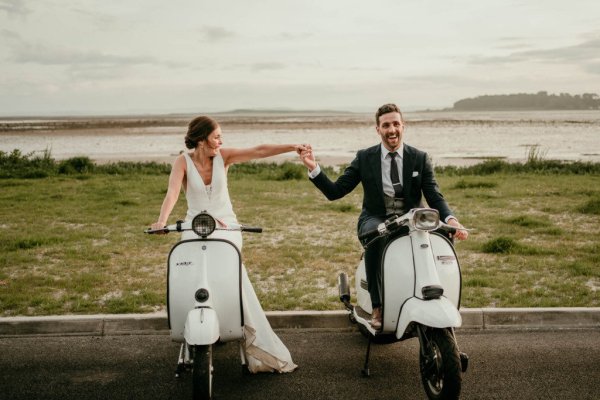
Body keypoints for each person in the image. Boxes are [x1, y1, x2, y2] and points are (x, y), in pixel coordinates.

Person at [151, 115, 301, 373]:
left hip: (227, 226)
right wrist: (161, 221)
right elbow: (173, 192)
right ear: (201, 140)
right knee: (191, 272)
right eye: (216, 136)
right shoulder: (182, 162)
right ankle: (196, 321)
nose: (221, 140)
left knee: (231, 269)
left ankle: (239, 327)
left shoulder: (224, 156)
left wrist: (292, 147)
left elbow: (258, 150)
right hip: (194, 226)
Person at [299, 103, 468, 329]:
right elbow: (335, 191)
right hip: (376, 218)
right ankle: (377, 306)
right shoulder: (364, 158)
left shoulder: (419, 158)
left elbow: (434, 196)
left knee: (445, 236)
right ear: (377, 129)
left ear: (403, 126)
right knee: (376, 237)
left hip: (413, 220)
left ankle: (439, 296)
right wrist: (313, 167)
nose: (392, 130)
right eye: (386, 125)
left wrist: (452, 220)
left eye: (396, 124)